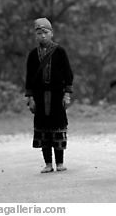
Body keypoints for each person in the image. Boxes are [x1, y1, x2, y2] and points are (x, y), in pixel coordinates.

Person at [25, 18, 73, 173]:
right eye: (39, 33)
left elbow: (68, 74)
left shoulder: (60, 52)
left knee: (58, 128)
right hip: (39, 97)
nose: (42, 36)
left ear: (51, 33)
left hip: (57, 96)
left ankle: (59, 163)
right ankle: (48, 164)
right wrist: (30, 98)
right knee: (43, 129)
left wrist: (67, 94)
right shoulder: (32, 55)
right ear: (35, 35)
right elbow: (29, 78)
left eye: (45, 32)